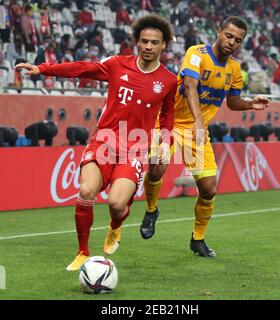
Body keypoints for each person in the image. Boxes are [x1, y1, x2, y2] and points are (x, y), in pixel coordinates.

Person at [15, 13, 177, 271]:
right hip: (104, 141)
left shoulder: (168, 80)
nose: (148, 46)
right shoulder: (117, 64)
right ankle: (82, 252)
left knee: (115, 204)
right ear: (137, 42)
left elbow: (168, 115)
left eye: (154, 42)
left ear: (164, 45)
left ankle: (116, 226)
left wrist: (166, 142)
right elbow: (82, 68)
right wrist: (43, 69)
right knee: (86, 192)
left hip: (134, 149)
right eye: (144, 41)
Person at [139, 16, 270, 257]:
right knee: (157, 166)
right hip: (169, 123)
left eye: (238, 40)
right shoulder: (196, 53)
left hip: (196, 134)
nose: (232, 42)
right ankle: (151, 209)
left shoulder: (235, 69)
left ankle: (197, 239)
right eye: (228, 36)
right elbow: (189, 86)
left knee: (208, 188)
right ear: (219, 31)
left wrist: (251, 104)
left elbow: (232, 102)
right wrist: (199, 120)